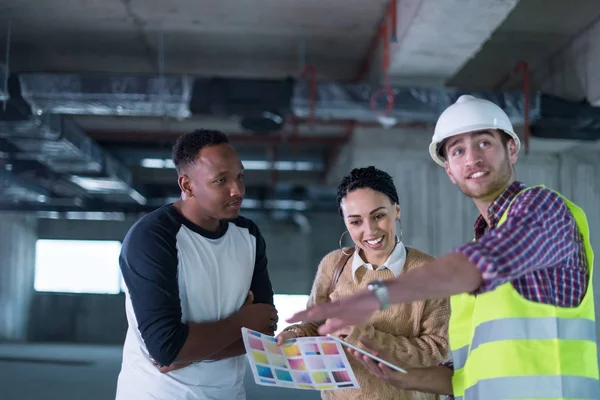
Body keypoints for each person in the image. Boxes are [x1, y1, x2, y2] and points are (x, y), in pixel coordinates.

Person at [287, 95, 599, 399]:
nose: (472, 158)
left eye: (484, 143)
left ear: (512, 148)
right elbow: (465, 374)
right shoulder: (478, 246)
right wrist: (401, 378)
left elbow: (484, 263)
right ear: (449, 170)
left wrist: (377, 296)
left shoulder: (542, 209)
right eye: (458, 151)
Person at [115, 129, 278, 400]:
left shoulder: (247, 234)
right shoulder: (153, 237)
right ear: (187, 185)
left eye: (239, 176)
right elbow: (167, 347)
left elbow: (265, 327)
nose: (237, 190)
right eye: (221, 180)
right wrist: (242, 320)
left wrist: (187, 356)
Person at [278, 166, 449, 400]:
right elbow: (314, 324)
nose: (369, 231)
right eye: (356, 221)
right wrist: (293, 335)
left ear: (396, 210)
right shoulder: (333, 265)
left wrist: (366, 337)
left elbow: (437, 350)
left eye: (378, 216)